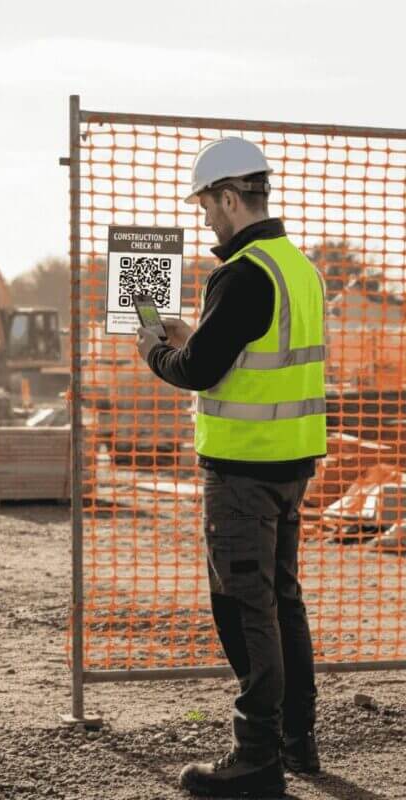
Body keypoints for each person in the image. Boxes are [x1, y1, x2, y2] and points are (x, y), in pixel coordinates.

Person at [135, 137, 326, 798]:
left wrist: (155, 353)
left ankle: (255, 760)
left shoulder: (242, 272)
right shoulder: (296, 268)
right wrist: (201, 335)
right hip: (290, 465)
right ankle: (298, 740)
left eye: (207, 206)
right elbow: (247, 350)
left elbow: (198, 371)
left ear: (227, 196)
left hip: (243, 474)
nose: (206, 220)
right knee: (282, 602)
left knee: (247, 610)